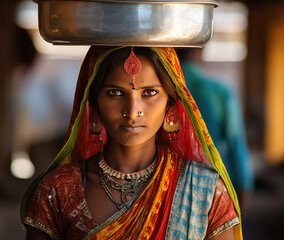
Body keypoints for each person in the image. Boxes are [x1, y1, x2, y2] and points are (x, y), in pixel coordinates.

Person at [20, 47, 243, 240]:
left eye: (150, 93)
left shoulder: (205, 191)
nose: (133, 111)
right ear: (93, 106)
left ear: (170, 105)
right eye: (115, 93)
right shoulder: (57, 190)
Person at [176, 48, 254, 210]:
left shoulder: (162, 89)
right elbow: (235, 142)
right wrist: (244, 186)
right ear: (202, 50)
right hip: (214, 184)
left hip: (169, 183)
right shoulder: (219, 92)